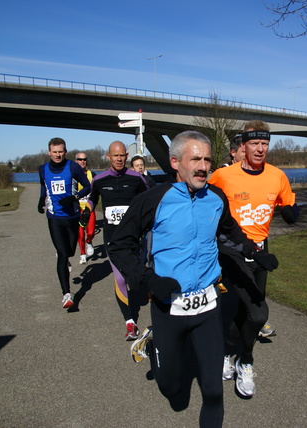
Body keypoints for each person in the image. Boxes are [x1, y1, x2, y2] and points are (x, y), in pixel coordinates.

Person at [108, 130, 277, 428]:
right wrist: (147, 279)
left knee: (213, 392)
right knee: (172, 391)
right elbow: (119, 246)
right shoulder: (153, 199)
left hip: (208, 306)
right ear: (175, 162)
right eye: (195, 159)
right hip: (168, 307)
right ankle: (152, 346)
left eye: (208, 159)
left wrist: (254, 251)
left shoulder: (215, 197)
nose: (203, 166)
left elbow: (230, 231)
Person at [208, 120, 299, 397]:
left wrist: (291, 213)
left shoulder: (277, 176)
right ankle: (245, 360)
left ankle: (226, 352)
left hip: (260, 252)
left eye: (265, 144)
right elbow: (203, 200)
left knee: (243, 310)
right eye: (255, 144)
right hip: (232, 252)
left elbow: (288, 203)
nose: (260, 149)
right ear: (243, 146)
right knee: (259, 312)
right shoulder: (224, 176)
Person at [80, 141, 150, 340]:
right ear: (108, 156)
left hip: (134, 236)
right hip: (112, 238)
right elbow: (92, 198)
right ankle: (130, 322)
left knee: (135, 275)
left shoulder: (136, 178)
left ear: (126, 156)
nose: (119, 159)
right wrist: (87, 212)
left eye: (122, 155)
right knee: (119, 277)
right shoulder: (100, 180)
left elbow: (148, 199)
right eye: (115, 155)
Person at [222, 135, 276, 338]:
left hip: (258, 242)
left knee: (256, 291)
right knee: (234, 293)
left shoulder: (263, 174)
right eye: (245, 151)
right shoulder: (223, 175)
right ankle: (228, 345)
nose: (253, 154)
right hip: (230, 244)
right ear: (235, 152)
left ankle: (253, 321)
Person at [37, 138, 91, 309]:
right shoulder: (43, 169)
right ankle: (66, 294)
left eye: (60, 151)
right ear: (49, 152)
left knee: (70, 251)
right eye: (54, 152)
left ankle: (65, 257)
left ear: (65, 152)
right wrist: (40, 200)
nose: (57, 154)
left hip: (72, 215)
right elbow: (43, 186)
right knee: (61, 253)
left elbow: (88, 186)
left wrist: (74, 197)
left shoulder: (73, 167)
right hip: (54, 217)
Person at [74, 153, 96, 265]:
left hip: (89, 208)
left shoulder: (92, 174)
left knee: (91, 232)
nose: (82, 161)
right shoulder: (72, 176)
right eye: (80, 159)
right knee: (80, 234)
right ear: (76, 161)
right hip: (77, 210)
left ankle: (89, 241)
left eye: (84, 159)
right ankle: (82, 254)